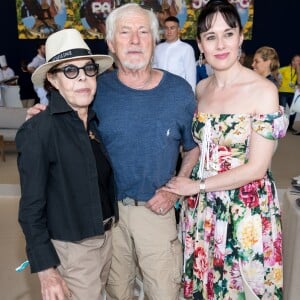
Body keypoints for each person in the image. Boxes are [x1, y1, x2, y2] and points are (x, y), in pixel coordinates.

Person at [26, 4, 198, 299]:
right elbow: (65, 117)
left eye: (143, 32)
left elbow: (192, 149)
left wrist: (175, 189)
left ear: (154, 40)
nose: (134, 40)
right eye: (125, 32)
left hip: (157, 210)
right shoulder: (94, 89)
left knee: (165, 292)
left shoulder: (180, 92)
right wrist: (41, 115)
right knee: (117, 293)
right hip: (108, 219)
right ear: (110, 44)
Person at [162, 0, 288, 299]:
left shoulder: (263, 91)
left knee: (242, 289)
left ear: (241, 38)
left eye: (228, 34)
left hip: (245, 209)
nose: (220, 44)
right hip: (202, 209)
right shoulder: (201, 89)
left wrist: (197, 185)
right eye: (210, 36)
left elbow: (257, 167)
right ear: (200, 44)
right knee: (205, 286)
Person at [16, 28, 117, 300]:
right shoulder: (39, 130)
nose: (82, 77)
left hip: (107, 239)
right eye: (70, 71)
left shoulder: (93, 122)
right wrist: (47, 271)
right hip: (72, 251)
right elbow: (30, 210)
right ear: (53, 79)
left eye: (88, 69)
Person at [152, 16, 196, 92]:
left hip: (178, 91)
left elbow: (190, 75)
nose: (169, 31)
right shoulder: (158, 48)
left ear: (178, 30)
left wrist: (191, 95)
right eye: (166, 28)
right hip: (159, 91)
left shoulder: (186, 48)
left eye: (172, 28)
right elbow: (153, 69)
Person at [278, 54, 300, 133]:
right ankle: (280, 127)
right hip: (283, 92)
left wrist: (298, 70)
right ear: (292, 61)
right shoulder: (285, 68)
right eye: (295, 60)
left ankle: (290, 126)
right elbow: (275, 73)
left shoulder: (299, 71)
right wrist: (278, 81)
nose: (296, 62)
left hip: (292, 93)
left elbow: (299, 82)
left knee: (293, 110)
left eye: (298, 61)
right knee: (282, 110)